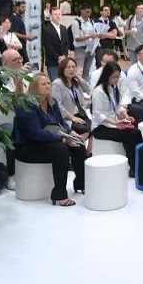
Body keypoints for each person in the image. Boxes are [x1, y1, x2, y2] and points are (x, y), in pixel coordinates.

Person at [13, 73, 87, 206]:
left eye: (49, 83)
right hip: (28, 146)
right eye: (43, 84)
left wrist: (71, 133)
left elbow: (61, 123)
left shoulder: (52, 102)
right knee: (61, 150)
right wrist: (63, 139)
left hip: (48, 140)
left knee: (78, 144)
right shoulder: (26, 106)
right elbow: (36, 134)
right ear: (34, 87)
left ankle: (81, 184)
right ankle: (60, 194)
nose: (48, 86)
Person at [90, 62, 141, 175]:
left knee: (136, 131)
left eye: (118, 77)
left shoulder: (113, 87)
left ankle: (138, 164)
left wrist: (126, 116)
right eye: (114, 77)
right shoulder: (98, 91)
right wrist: (115, 122)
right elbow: (98, 114)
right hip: (100, 127)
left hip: (112, 124)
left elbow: (117, 107)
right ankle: (134, 167)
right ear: (107, 75)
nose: (117, 80)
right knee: (131, 135)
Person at [51, 56, 93, 138]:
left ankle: (86, 147)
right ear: (62, 69)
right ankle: (78, 145)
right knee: (86, 130)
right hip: (68, 117)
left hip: (81, 113)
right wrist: (72, 118)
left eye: (73, 67)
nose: (71, 69)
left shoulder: (75, 81)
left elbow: (88, 90)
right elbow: (57, 104)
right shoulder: (57, 83)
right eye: (68, 67)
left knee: (93, 128)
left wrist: (78, 77)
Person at [41, 7, 74, 80]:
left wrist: (64, 55)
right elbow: (48, 46)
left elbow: (66, 43)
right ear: (51, 15)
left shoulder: (63, 28)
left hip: (63, 61)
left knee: (63, 81)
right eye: (55, 14)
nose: (58, 16)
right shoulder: (46, 29)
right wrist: (58, 57)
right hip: (52, 62)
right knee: (55, 81)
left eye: (59, 14)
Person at [71, 5, 98, 81]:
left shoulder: (91, 22)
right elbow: (76, 38)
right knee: (79, 72)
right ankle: (77, 85)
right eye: (87, 12)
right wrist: (89, 36)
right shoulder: (76, 22)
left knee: (86, 72)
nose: (88, 14)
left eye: (90, 12)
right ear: (82, 11)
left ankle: (85, 86)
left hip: (90, 49)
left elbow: (94, 34)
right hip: (80, 49)